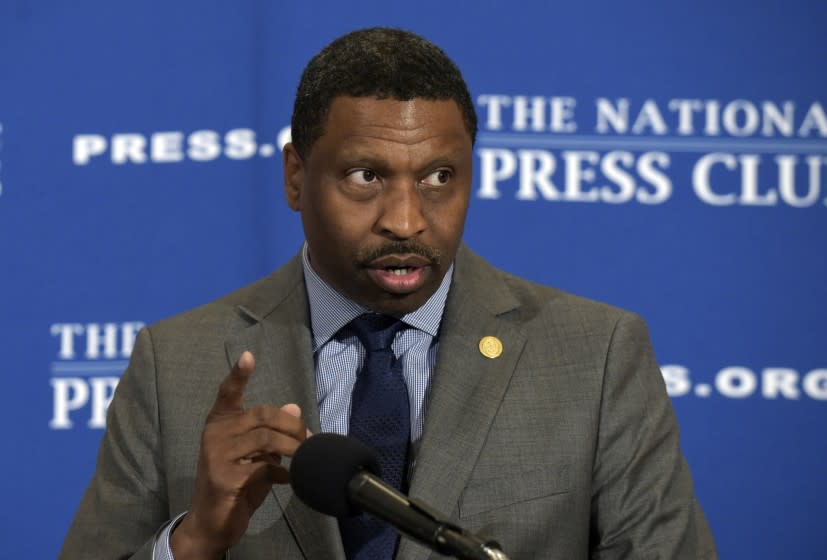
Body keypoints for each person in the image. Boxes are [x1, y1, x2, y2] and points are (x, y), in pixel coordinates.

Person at [60, 27, 717, 559]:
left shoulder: (594, 356)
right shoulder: (173, 363)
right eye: (365, 175)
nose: (404, 220)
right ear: (295, 176)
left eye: (438, 176)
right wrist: (192, 543)